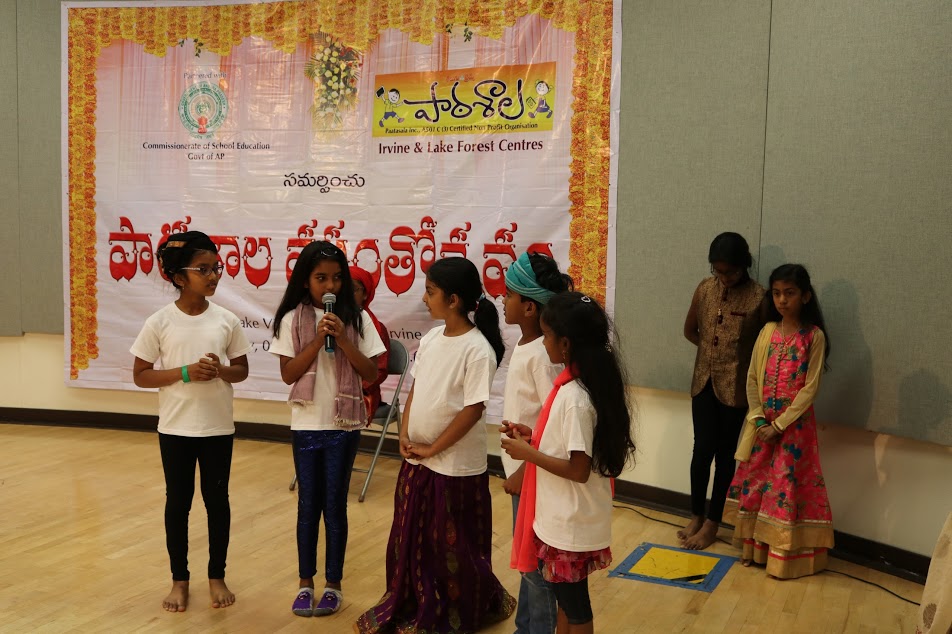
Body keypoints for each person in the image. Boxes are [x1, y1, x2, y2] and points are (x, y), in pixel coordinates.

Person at [355, 257, 515, 633]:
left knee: (453, 548)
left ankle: (457, 611)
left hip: (455, 466)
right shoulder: (430, 339)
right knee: (413, 538)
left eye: (430, 292)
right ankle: (414, 600)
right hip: (419, 460)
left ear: (454, 300)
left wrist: (434, 448)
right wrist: (405, 435)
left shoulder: (477, 349)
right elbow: (415, 390)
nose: (425, 299)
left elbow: (473, 410)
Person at [130, 231, 252, 613]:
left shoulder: (226, 320)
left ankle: (217, 576)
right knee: (178, 503)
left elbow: (242, 370)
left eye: (217, 267)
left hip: (217, 428)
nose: (213, 275)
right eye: (204, 269)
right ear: (179, 277)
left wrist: (221, 370)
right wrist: (184, 372)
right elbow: (141, 375)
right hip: (175, 430)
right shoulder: (159, 322)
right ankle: (179, 580)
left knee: (217, 502)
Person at [502, 292, 636, 634]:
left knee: (576, 608)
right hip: (566, 518)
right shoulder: (578, 387)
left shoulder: (575, 398)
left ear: (565, 345)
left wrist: (528, 454)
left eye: (546, 335)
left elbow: (578, 469)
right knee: (567, 602)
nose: (543, 342)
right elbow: (566, 444)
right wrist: (533, 437)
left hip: (569, 523)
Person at [269, 241, 386, 617]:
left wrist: (344, 340)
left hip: (343, 425)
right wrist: (319, 339)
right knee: (308, 505)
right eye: (321, 278)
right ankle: (305, 583)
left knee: (335, 505)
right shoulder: (291, 319)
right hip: (306, 423)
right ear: (305, 281)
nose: (330, 285)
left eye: (337, 277)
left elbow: (370, 374)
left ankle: (333, 585)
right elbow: (289, 374)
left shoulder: (358, 318)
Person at [725, 263, 833, 579]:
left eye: (790, 293)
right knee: (757, 482)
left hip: (794, 431)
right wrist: (759, 420)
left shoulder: (813, 337)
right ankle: (754, 549)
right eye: (776, 293)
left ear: (805, 296)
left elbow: (810, 388)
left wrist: (780, 425)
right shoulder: (767, 332)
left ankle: (783, 558)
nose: (782, 300)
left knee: (785, 487)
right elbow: (752, 377)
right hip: (762, 427)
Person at [680, 232, 764, 550]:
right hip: (703, 382)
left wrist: (736, 363)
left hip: (736, 391)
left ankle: (713, 523)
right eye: (718, 271)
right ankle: (696, 515)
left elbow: (764, 348)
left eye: (730, 271)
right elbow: (690, 331)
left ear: (744, 265)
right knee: (701, 451)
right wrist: (710, 356)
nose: (724, 277)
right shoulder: (705, 288)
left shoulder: (759, 297)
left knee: (725, 456)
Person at [500, 251, 569, 633]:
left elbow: (554, 422)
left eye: (509, 294)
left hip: (534, 476)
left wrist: (524, 471)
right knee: (526, 560)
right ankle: (524, 627)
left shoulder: (543, 356)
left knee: (536, 567)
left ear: (529, 307)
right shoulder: (529, 346)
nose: (503, 299)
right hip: (525, 474)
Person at [349, 265, 391, 421]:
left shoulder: (376, 328)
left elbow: (379, 370)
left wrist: (351, 386)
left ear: (365, 293)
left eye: (352, 290)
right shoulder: (330, 321)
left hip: (362, 392)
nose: (346, 295)